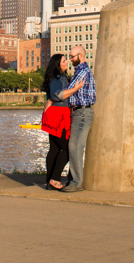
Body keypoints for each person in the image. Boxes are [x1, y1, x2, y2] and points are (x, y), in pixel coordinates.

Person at [40, 53, 85, 190]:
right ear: (57, 64)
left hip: (56, 113)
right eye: (64, 61)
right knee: (67, 148)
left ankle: (50, 181)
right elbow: (57, 94)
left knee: (54, 148)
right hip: (58, 115)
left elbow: (53, 96)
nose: (67, 63)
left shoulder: (62, 77)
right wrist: (75, 89)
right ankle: (54, 179)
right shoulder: (57, 78)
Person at [61, 46, 96, 192]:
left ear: (81, 56)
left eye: (72, 57)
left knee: (75, 147)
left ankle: (76, 182)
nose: (70, 59)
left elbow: (69, 91)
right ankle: (73, 180)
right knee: (74, 146)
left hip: (81, 112)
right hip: (78, 112)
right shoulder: (79, 72)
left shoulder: (83, 72)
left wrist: (57, 96)